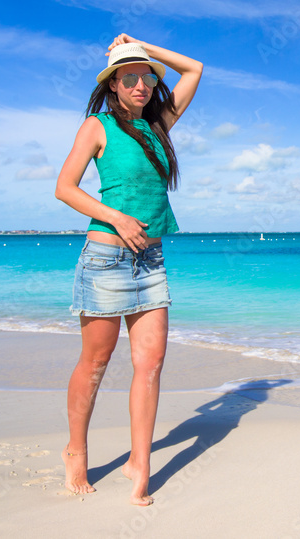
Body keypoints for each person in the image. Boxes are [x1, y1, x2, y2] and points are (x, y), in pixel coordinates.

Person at [54, 34, 202, 505]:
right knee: (95, 363)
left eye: (146, 77)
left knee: (151, 365)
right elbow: (64, 187)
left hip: (151, 262)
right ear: (114, 84)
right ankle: (76, 449)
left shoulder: (160, 125)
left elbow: (195, 69)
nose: (140, 84)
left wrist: (143, 48)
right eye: (129, 77)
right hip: (105, 260)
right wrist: (115, 215)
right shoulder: (97, 127)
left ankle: (141, 463)